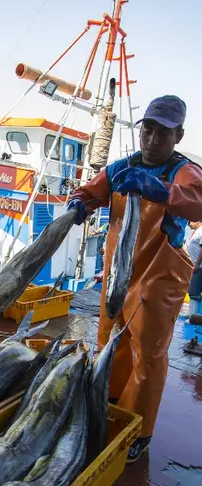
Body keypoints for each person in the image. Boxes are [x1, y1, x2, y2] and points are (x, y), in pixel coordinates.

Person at [67, 94, 202, 463]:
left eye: (163, 133)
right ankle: (108, 400)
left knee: (148, 354)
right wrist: (80, 201)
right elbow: (93, 189)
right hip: (119, 275)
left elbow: (199, 200)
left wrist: (164, 192)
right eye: (148, 130)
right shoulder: (122, 168)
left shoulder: (185, 173)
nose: (152, 139)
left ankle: (139, 430)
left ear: (178, 136)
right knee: (111, 339)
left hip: (160, 279)